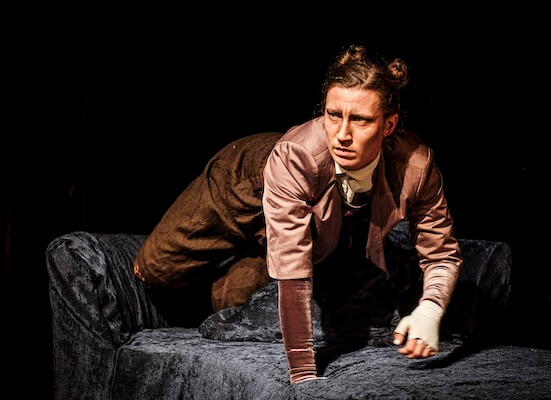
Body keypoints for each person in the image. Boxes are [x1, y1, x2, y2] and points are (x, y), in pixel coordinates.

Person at [133, 44, 463, 384]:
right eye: (333, 115)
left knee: (234, 299)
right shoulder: (298, 155)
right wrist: (304, 375)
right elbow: (293, 270)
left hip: (305, 217)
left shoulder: (416, 166)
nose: (343, 135)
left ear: (389, 124)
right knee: (154, 270)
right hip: (244, 185)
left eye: (360, 120)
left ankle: (257, 253)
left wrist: (430, 309)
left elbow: (441, 253)